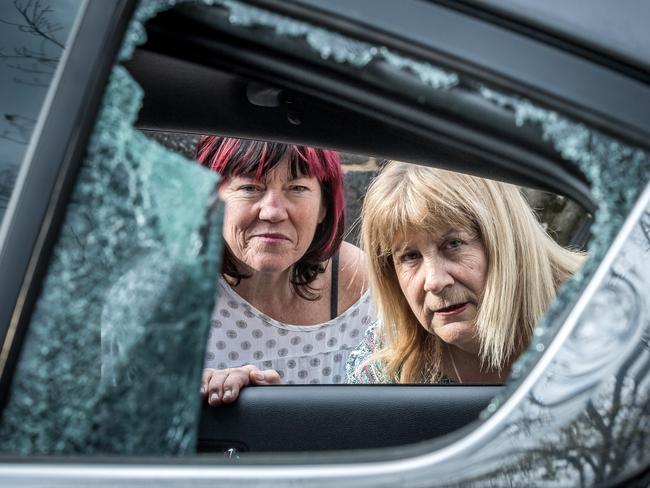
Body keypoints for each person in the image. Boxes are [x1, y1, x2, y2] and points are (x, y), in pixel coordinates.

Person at [346, 162, 585, 384]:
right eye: (410, 257)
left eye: (453, 244)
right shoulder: (387, 362)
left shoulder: (596, 308)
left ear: (506, 239)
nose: (434, 281)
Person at [198, 136, 373, 405]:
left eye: (297, 188)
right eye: (250, 187)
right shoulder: (173, 289)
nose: (273, 212)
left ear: (323, 207)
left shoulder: (360, 281)